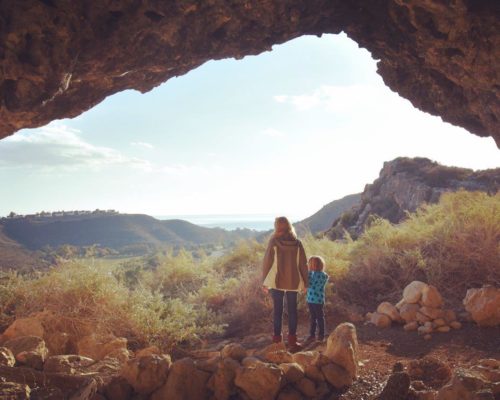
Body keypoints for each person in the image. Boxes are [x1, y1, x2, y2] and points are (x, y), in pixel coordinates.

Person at [262, 216, 308, 351]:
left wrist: (264, 281)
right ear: (289, 226)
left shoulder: (274, 242)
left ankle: (277, 342)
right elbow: (303, 264)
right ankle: (293, 341)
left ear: (277, 226)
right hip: (293, 282)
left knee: (278, 312)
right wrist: (306, 282)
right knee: (293, 311)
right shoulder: (297, 243)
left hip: (277, 282)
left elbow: (267, 263)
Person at [305, 255, 329, 343]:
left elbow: (311, 284)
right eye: (309, 264)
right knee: (313, 317)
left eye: (311, 264)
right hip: (310, 299)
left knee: (319, 317)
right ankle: (312, 335)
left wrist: (306, 278)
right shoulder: (311, 273)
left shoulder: (322, 275)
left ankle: (321, 335)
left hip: (317, 300)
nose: (310, 266)